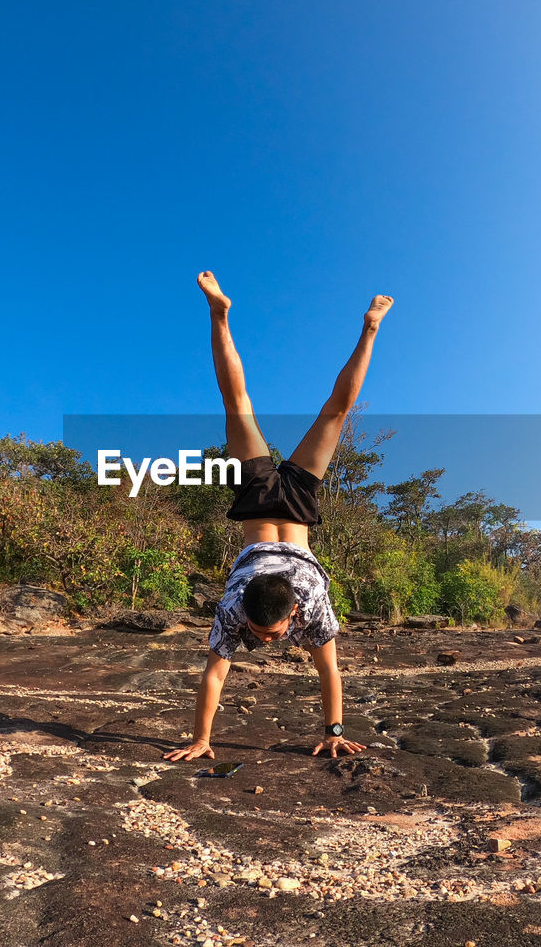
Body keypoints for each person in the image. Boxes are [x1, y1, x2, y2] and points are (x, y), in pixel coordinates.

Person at [162, 271, 393, 763]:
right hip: (294, 510)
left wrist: (335, 730)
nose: (268, 642)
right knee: (330, 414)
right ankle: (222, 314)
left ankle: (368, 327)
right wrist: (202, 741)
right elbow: (220, 673)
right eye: (262, 633)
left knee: (247, 404)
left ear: (292, 612)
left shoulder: (292, 606)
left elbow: (320, 670)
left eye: (270, 634)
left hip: (259, 499)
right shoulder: (249, 609)